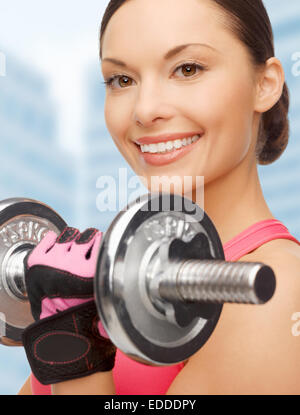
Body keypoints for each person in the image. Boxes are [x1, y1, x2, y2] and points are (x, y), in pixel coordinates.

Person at [19, 0, 300, 395]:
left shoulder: (275, 292)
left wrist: (75, 357)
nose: (145, 110)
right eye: (121, 79)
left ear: (264, 84)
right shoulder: (114, 282)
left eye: (188, 69)